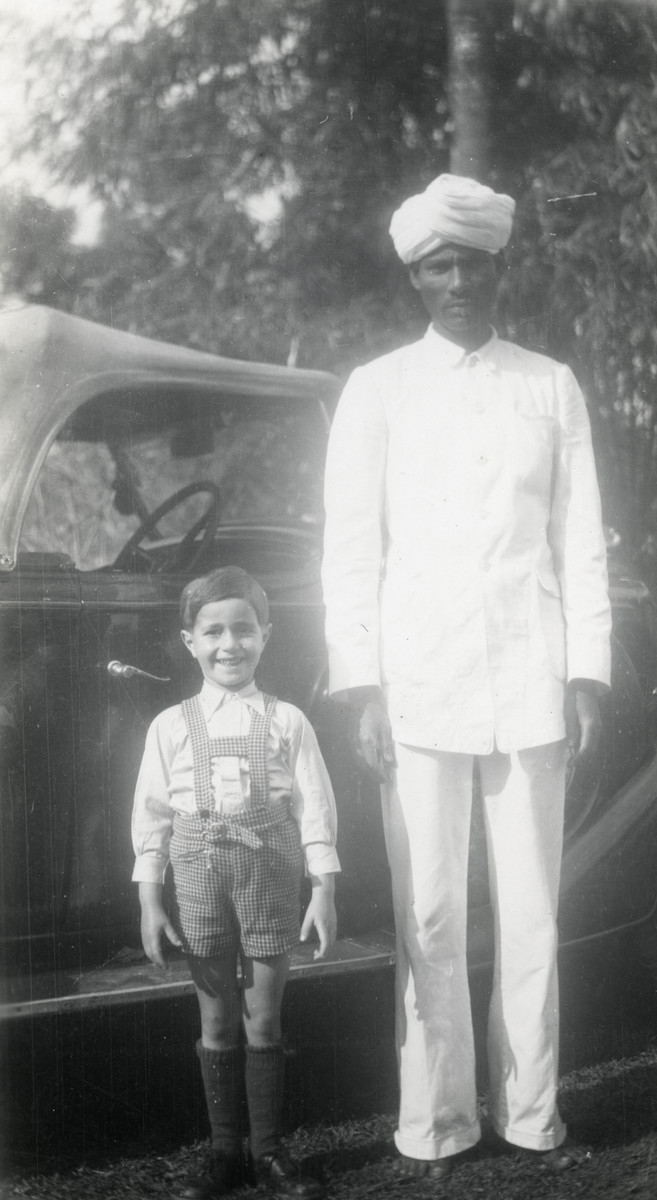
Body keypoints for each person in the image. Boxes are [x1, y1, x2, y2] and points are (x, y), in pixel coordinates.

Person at [322, 174, 611, 1180]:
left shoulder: (552, 383)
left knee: (532, 910)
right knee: (431, 916)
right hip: (418, 687)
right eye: (437, 266)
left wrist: (586, 677)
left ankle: (531, 1117)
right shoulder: (376, 388)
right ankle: (436, 1124)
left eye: (472, 263)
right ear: (415, 277)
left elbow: (581, 545)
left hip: (532, 679)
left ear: (499, 267)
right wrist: (361, 685)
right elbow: (350, 551)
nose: (457, 282)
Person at [132, 565, 339, 1199]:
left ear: (266, 634)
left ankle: (269, 1153)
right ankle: (225, 1155)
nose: (230, 645)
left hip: (270, 876)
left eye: (243, 629)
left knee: (264, 1019)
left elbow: (316, 808)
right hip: (198, 879)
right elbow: (152, 818)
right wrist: (149, 899)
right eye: (213, 631)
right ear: (189, 640)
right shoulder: (170, 726)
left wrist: (324, 889)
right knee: (216, 1021)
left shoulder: (288, 720)